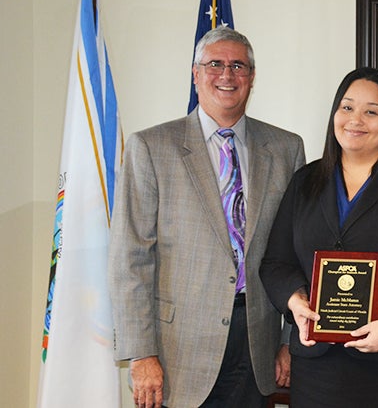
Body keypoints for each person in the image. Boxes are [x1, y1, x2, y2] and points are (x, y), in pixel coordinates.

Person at [109, 26, 305, 408]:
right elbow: (129, 259)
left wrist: (288, 340)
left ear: (252, 77)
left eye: (239, 66)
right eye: (215, 64)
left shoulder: (286, 148)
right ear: (196, 73)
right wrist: (141, 353)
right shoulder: (151, 147)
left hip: (257, 344)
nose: (227, 75)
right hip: (177, 352)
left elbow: (293, 254)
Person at [259, 67, 378, 408]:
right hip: (318, 370)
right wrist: (296, 302)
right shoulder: (305, 181)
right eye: (347, 107)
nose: (355, 120)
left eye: (371, 111)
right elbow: (276, 263)